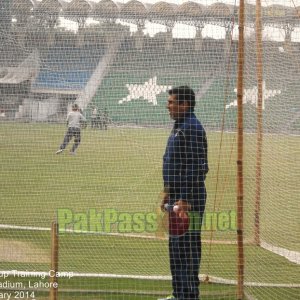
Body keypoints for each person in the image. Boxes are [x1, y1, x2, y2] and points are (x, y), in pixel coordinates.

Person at [159, 86, 209, 300]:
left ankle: (189, 297)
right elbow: (175, 162)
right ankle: (178, 295)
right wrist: (167, 192)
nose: (168, 106)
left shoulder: (192, 128)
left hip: (189, 200)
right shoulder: (179, 126)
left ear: (184, 105)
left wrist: (185, 200)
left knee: (187, 251)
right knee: (176, 250)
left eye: (171, 102)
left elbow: (199, 166)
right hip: (176, 197)